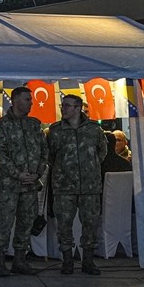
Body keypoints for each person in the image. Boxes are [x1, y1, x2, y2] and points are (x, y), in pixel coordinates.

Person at [48, 94, 108, 275]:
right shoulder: (56, 130)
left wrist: (89, 169)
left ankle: (88, 261)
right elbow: (51, 156)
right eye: (62, 105)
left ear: (78, 108)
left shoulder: (93, 130)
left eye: (67, 106)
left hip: (90, 186)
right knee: (64, 224)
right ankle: (67, 260)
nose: (63, 109)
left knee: (90, 223)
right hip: (64, 186)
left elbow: (101, 152)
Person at [0, 86, 45, 277]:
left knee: (26, 221)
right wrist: (17, 174)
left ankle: (20, 259)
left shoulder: (34, 125)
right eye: (27, 99)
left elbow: (44, 151)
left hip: (30, 183)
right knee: (5, 221)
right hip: (9, 184)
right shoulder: (1, 126)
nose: (31, 102)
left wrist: (38, 172)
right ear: (15, 101)